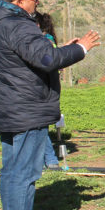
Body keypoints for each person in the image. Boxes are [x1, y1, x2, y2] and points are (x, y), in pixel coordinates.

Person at [0, 0, 100, 210]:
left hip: (8, 108)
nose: (37, 4)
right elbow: (47, 60)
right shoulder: (18, 25)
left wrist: (59, 49)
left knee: (11, 171)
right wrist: (81, 49)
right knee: (24, 173)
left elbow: (30, 59)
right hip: (27, 109)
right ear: (20, 1)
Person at [35, 12, 63, 171]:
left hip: (44, 87)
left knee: (40, 124)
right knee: (39, 124)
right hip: (45, 86)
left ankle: (51, 160)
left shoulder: (44, 41)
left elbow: (48, 62)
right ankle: (47, 160)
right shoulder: (46, 40)